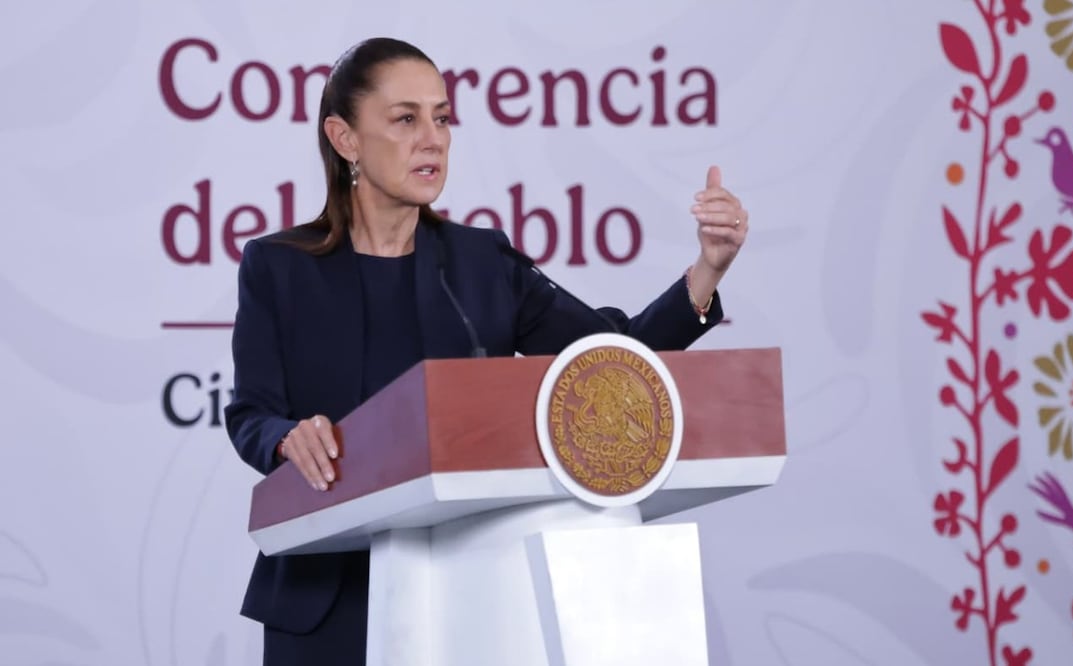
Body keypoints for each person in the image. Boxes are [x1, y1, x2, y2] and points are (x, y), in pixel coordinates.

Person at [224, 36, 748, 666]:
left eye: (442, 118)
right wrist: (286, 438)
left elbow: (612, 363)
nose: (433, 138)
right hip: (326, 598)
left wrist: (707, 271)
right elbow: (252, 413)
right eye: (405, 119)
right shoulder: (278, 266)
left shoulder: (480, 263)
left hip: (467, 595)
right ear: (345, 139)